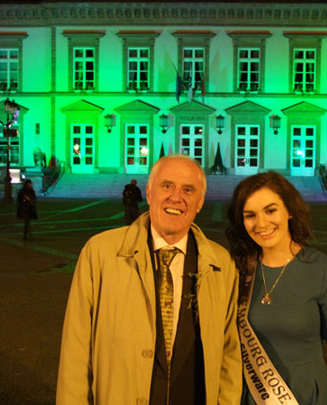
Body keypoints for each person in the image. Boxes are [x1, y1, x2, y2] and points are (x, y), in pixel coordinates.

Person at [57, 155, 242, 404]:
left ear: (199, 202)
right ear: (149, 193)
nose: (176, 197)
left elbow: (230, 352)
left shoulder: (221, 263)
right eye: (166, 186)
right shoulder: (100, 252)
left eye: (188, 190)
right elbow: (76, 350)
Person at [226, 171, 327, 405]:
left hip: (307, 394)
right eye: (250, 215)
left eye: (270, 210)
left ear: (290, 211)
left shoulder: (322, 269)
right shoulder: (236, 271)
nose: (261, 223)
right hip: (253, 395)